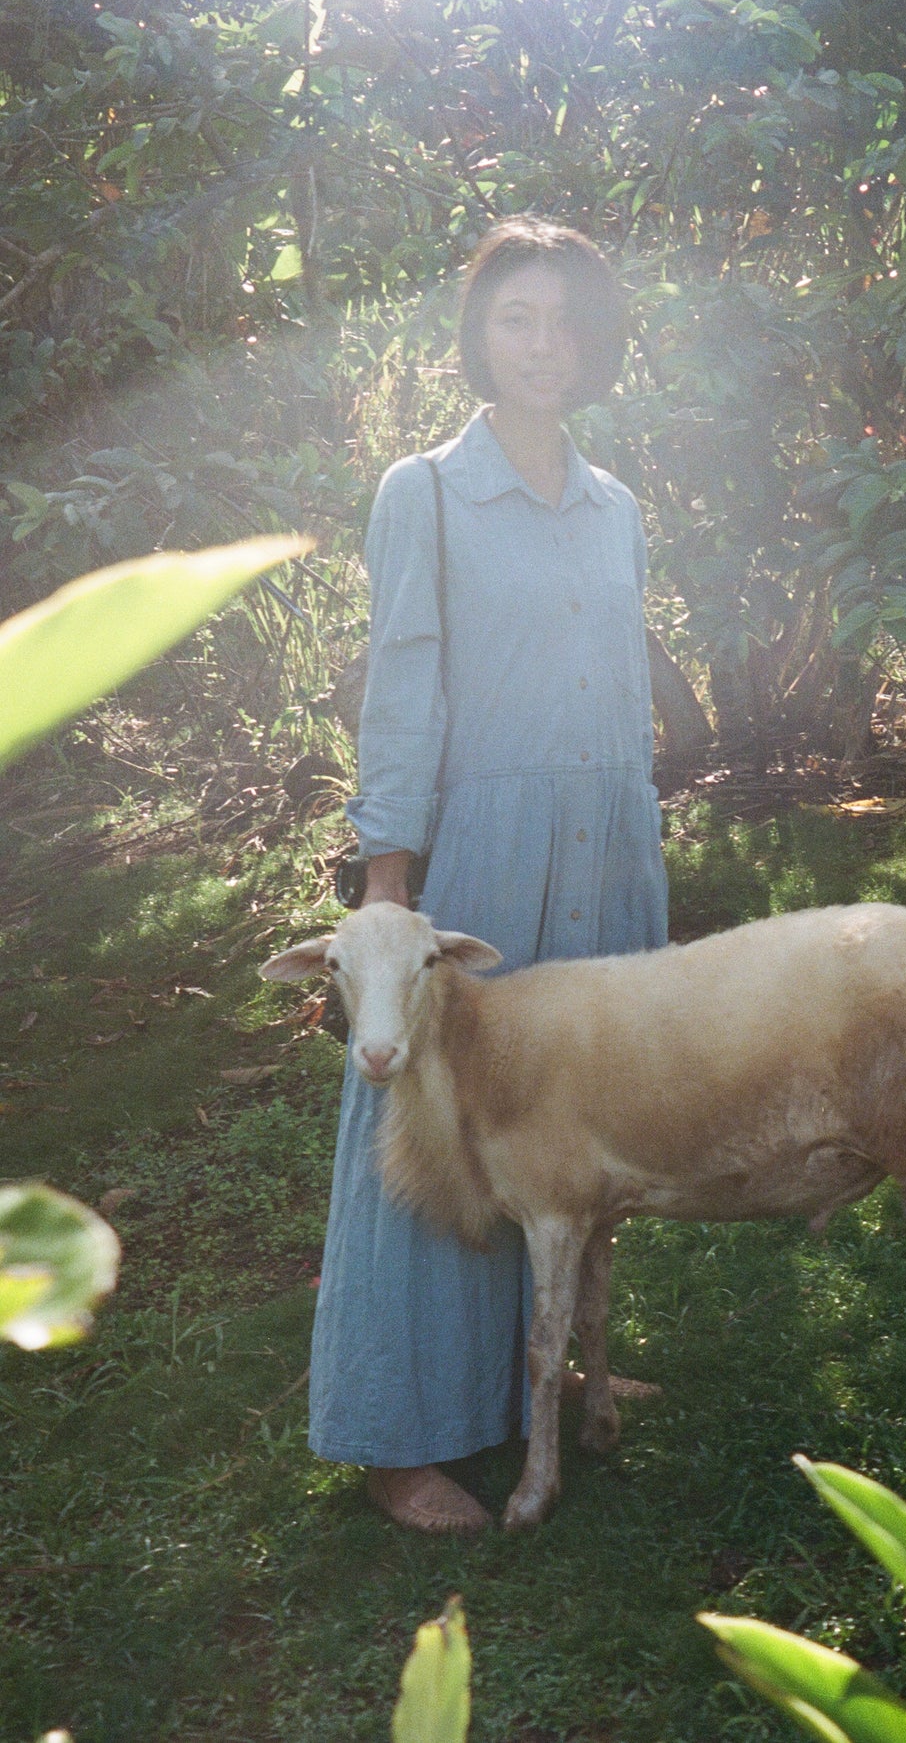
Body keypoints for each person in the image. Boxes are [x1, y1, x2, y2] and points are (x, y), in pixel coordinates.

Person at [309, 217, 669, 1533]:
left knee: (576, 1121)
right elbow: (404, 692)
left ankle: (558, 1368)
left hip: (606, 847)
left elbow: (619, 692)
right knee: (428, 1140)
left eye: (569, 319)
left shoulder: (619, 504)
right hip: (481, 860)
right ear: (477, 331)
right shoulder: (428, 491)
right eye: (517, 315)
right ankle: (397, 1433)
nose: (544, 344)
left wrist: (640, 848)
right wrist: (388, 889)